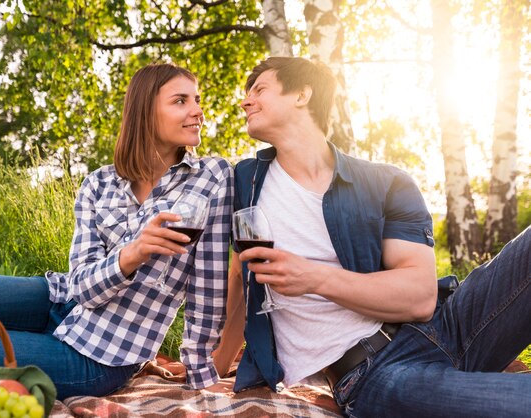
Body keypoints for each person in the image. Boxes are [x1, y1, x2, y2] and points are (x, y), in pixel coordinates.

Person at [216, 56, 531, 417]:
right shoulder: (244, 182)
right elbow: (242, 274)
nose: (246, 101)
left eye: (259, 89)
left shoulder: (385, 182)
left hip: (451, 323)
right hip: (374, 373)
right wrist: (217, 361)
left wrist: (314, 277)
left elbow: (420, 298)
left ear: (302, 94)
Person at [0, 63, 234, 399]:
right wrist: (131, 254)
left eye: (196, 99)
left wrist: (199, 370)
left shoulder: (212, 177)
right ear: (145, 111)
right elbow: (81, 287)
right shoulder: (99, 183)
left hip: (99, 354)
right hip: (60, 300)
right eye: (181, 100)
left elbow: (208, 286)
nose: (198, 111)